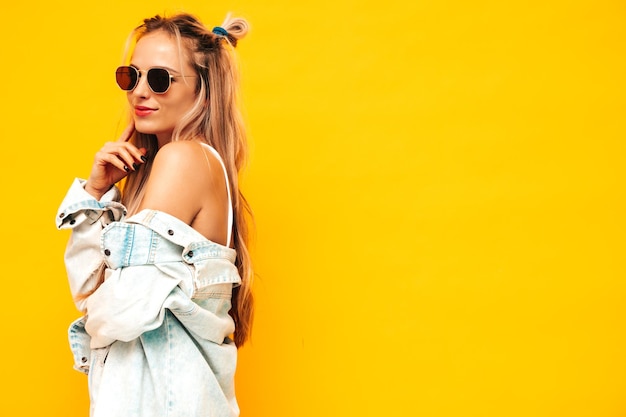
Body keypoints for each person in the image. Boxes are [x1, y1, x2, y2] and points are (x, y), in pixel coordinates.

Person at [55, 12, 253, 417]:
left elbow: (116, 311)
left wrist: (99, 213)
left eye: (160, 79)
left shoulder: (182, 159)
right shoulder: (169, 167)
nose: (140, 92)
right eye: (132, 76)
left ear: (204, 91)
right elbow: (94, 293)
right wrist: (96, 193)